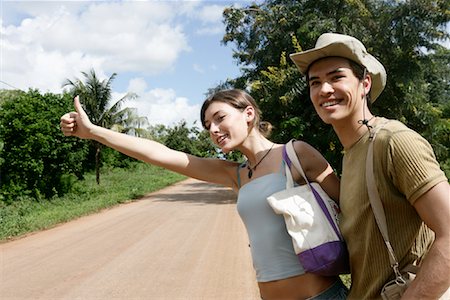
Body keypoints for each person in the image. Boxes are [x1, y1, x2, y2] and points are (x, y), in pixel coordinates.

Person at [60, 89, 348, 299]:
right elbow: (160, 154)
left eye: (220, 117)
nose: (213, 129)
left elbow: (352, 210)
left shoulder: (296, 154)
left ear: (248, 113)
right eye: (208, 125)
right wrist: (95, 132)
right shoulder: (236, 174)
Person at [289, 32, 450, 299]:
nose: (324, 89)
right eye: (315, 82)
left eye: (336, 77)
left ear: (365, 83)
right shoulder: (351, 152)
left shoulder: (394, 142)